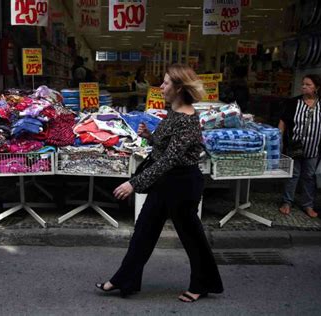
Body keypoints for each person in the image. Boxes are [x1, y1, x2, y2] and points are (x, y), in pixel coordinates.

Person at [95, 64, 224, 302]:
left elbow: (169, 160)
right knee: (143, 232)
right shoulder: (174, 112)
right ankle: (125, 280)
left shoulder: (187, 119)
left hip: (182, 185)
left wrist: (133, 183)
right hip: (166, 183)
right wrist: (149, 136)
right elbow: (165, 146)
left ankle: (203, 284)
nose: (161, 87)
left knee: (192, 238)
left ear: (178, 88)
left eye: (165, 83)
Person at [278, 74, 321, 218]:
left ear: (316, 87)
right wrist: (279, 140)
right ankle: (287, 202)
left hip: (314, 147)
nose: (304, 86)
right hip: (294, 146)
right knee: (293, 175)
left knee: (309, 176)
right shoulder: (293, 103)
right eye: (303, 84)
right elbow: (283, 122)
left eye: (308, 84)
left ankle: (308, 205)